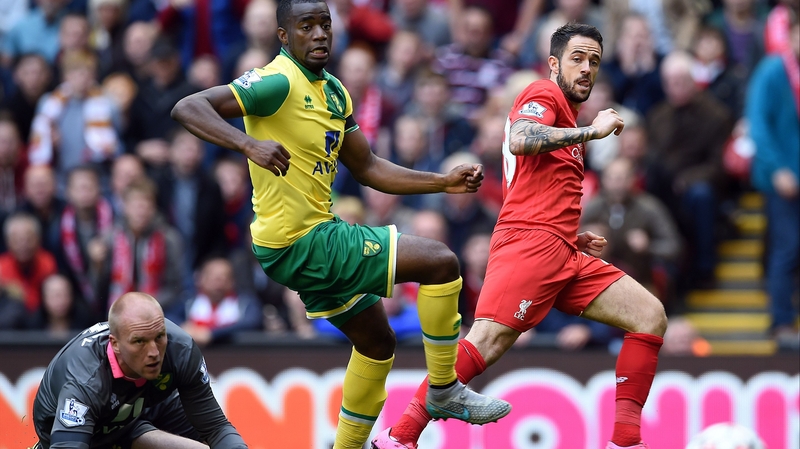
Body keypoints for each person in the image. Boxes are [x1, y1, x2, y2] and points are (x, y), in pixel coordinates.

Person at [169, 1, 511, 448]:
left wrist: (442, 182)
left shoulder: (334, 92)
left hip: (304, 242)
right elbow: (188, 106)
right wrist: (248, 144)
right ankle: (444, 389)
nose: (319, 35)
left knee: (377, 343)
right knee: (440, 261)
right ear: (283, 36)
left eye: (325, 25)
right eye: (306, 26)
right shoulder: (276, 81)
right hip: (301, 241)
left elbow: (369, 167)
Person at [373, 23, 667, 449]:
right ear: (554, 64)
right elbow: (521, 138)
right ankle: (400, 436)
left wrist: (571, 235)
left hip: (561, 248)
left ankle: (625, 442)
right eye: (577, 59)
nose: (587, 68)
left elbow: (532, 183)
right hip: (529, 245)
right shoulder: (542, 93)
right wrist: (593, 131)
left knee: (649, 315)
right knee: (485, 342)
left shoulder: (565, 117)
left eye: (594, 61)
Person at [31, 291, 248, 449]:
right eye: (139, 342)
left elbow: (215, 428)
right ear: (115, 344)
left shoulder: (180, 350)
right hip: (89, 433)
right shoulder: (85, 380)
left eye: (159, 337)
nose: (154, 352)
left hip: (139, 407)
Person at [746, 13, 800, 342]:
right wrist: (777, 168)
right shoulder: (772, 70)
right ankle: (781, 322)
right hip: (782, 179)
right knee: (787, 247)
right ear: (790, 36)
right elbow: (758, 124)